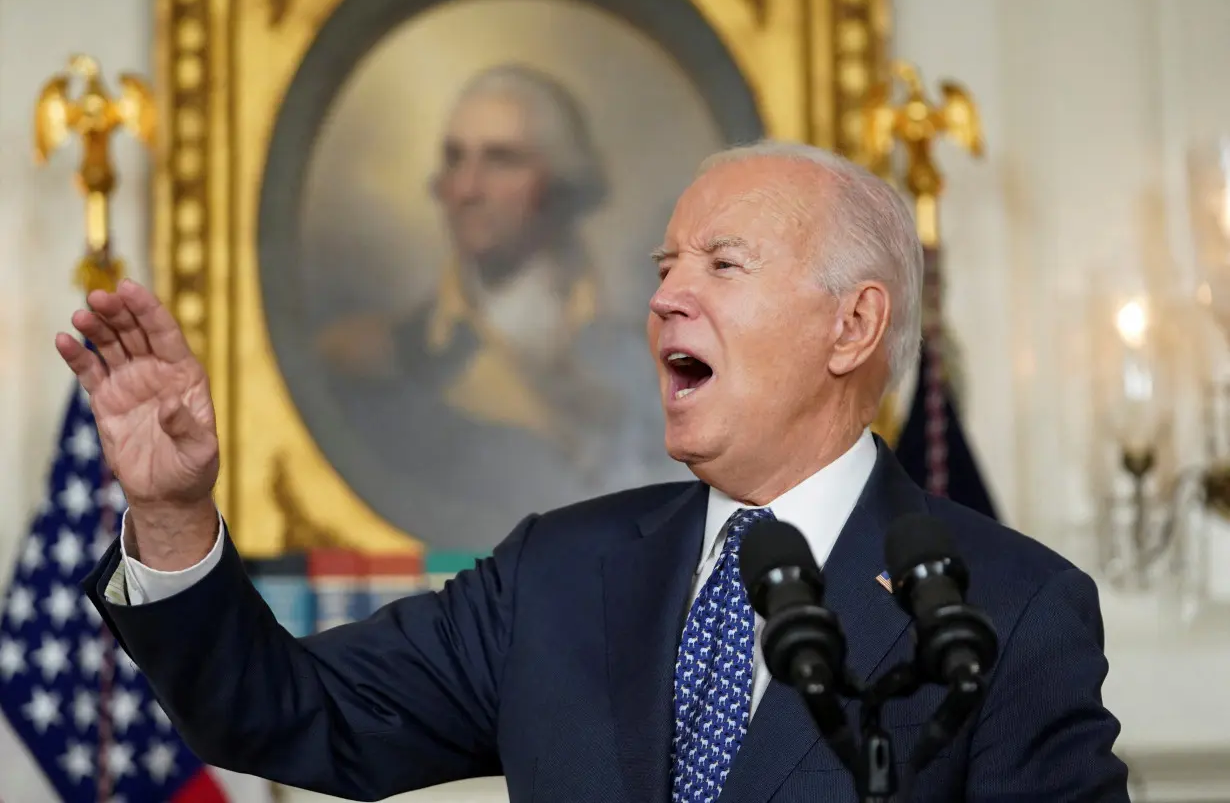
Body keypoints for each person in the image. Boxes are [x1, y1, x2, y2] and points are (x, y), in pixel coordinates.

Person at [63, 141, 1130, 802]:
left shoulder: (1008, 608)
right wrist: (170, 512)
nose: (666, 296)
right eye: (664, 267)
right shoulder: (557, 576)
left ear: (853, 324)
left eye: (721, 263)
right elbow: (284, 712)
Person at [311, 64, 682, 550]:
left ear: (562, 183)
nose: (466, 189)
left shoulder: (643, 358)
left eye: (501, 160)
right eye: (454, 159)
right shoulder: (375, 359)